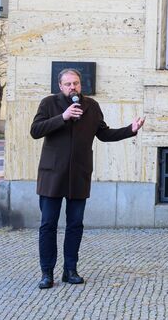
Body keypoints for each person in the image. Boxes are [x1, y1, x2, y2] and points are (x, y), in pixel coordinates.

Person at [30, 68, 145, 289]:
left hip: (79, 175)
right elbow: (35, 130)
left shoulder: (91, 106)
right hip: (52, 175)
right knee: (48, 225)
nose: (72, 87)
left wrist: (129, 130)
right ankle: (47, 273)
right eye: (68, 84)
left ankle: (70, 270)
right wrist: (62, 117)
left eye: (76, 83)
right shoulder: (48, 104)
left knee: (75, 225)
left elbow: (103, 134)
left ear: (80, 84)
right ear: (60, 86)